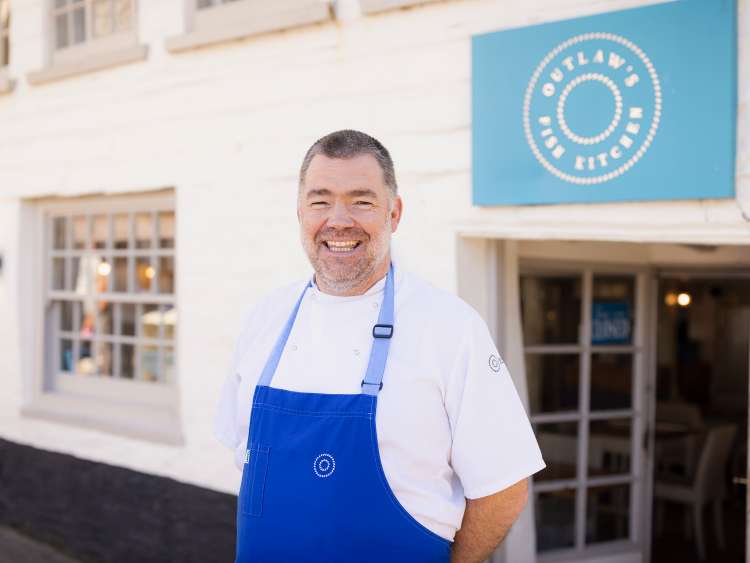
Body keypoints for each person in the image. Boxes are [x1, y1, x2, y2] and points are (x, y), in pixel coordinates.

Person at [214, 130, 545, 562]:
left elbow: (505, 487)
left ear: (394, 213)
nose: (338, 220)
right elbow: (244, 459)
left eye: (361, 200)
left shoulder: (450, 327)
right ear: (299, 212)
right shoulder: (265, 320)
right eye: (320, 201)